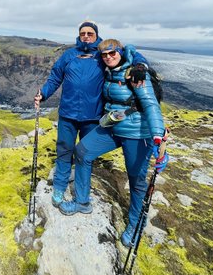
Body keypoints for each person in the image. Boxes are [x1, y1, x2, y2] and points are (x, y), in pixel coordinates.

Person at [58, 38, 169, 247]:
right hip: (112, 127)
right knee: (82, 151)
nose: (108, 57)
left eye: (112, 53)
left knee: (136, 182)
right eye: (104, 55)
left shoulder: (135, 73)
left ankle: (136, 225)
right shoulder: (108, 70)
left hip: (137, 133)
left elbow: (151, 105)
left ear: (120, 52)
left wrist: (158, 138)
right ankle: (82, 202)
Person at [34, 21, 149, 212]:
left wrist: (140, 65)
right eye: (82, 33)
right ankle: (60, 187)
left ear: (96, 35)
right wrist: (43, 93)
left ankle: (82, 196)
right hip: (68, 114)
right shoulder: (69, 55)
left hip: (93, 115)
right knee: (64, 150)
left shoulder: (102, 54)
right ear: (78, 36)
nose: (86, 36)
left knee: (84, 154)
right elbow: (55, 77)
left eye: (90, 33)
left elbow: (130, 51)